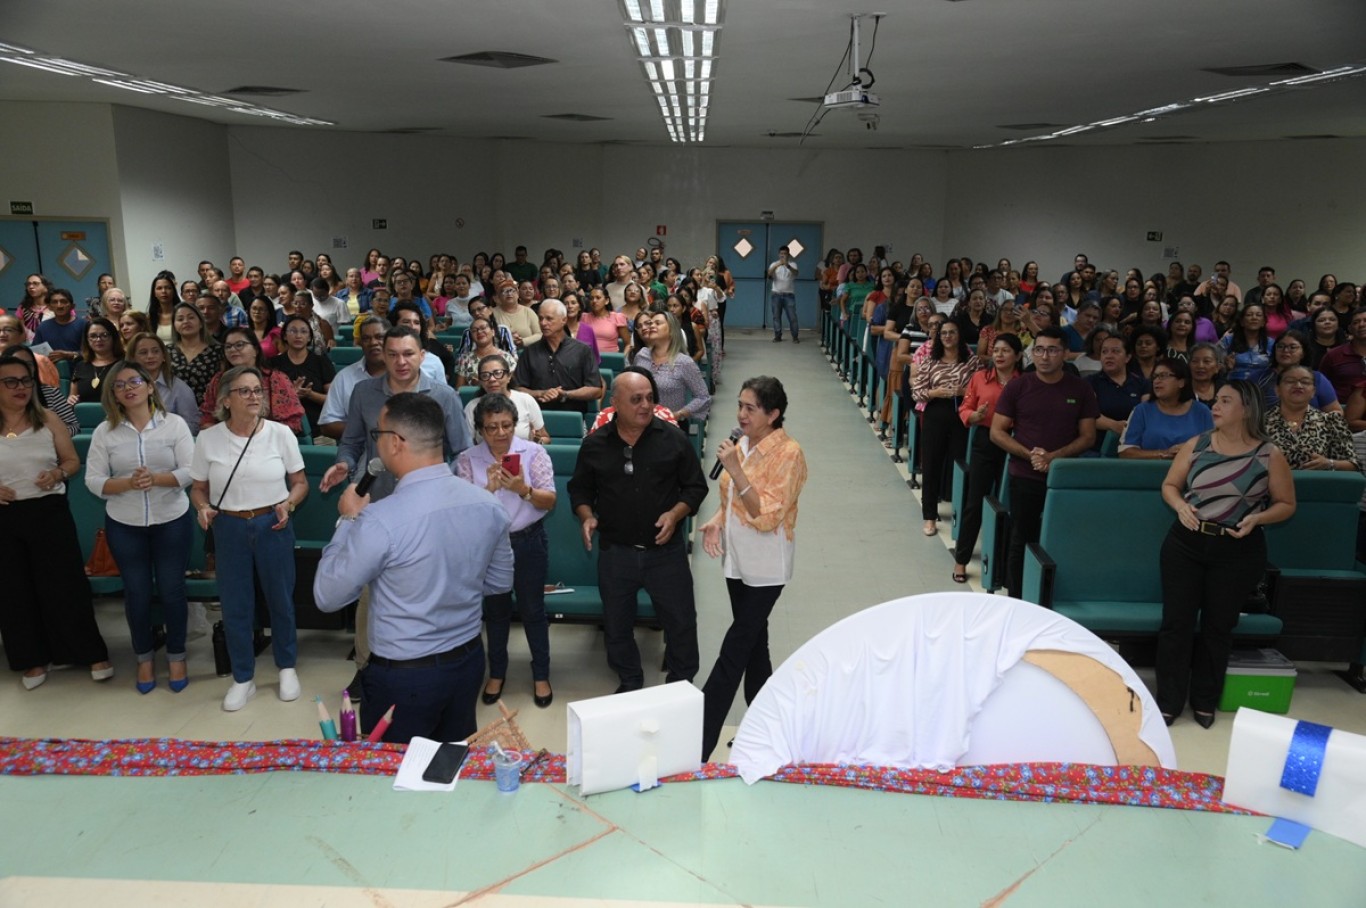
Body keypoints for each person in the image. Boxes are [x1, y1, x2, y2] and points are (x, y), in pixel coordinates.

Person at [314, 392, 513, 743]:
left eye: (378, 435)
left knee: (395, 778)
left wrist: (348, 521)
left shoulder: (379, 520)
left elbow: (327, 596)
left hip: (404, 676)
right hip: (466, 661)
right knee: (449, 766)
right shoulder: (489, 505)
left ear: (394, 443)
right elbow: (498, 584)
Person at [1157, 380, 1295, 728]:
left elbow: (1286, 505)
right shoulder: (1197, 444)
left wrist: (1259, 518)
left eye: (1225, 401)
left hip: (1237, 549)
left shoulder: (1269, 453)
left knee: (1219, 627)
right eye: (1216, 400)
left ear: (1246, 409)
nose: (1215, 406)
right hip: (1185, 545)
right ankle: (1168, 702)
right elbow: (1170, 486)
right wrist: (1179, 507)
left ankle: (1204, 700)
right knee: (1176, 624)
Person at [568, 369, 707, 692]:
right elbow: (580, 491)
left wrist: (675, 514)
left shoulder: (673, 439)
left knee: (681, 624)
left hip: (666, 555)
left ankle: (681, 686)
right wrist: (586, 516)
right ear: (615, 403)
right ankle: (630, 680)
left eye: (649, 398)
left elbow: (695, 488)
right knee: (616, 627)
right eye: (636, 399)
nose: (646, 405)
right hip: (616, 554)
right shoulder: (596, 445)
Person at [698, 376, 807, 760]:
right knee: (755, 648)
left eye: (750, 408)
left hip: (766, 567)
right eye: (740, 406)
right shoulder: (742, 443)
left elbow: (767, 516)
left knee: (734, 650)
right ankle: (768, 731)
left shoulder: (789, 454)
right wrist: (717, 518)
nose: (741, 414)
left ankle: (698, 743)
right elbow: (729, 494)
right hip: (737, 560)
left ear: (773, 414)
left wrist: (737, 469)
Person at [189, 365, 308, 711]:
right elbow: (198, 489)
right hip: (229, 527)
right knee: (236, 606)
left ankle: (286, 667)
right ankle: (244, 677)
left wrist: (288, 503)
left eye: (258, 390)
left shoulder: (280, 434)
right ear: (226, 400)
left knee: (280, 600)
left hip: (273, 524)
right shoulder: (208, 439)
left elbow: (300, 482)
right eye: (245, 391)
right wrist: (202, 508)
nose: (255, 396)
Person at [0, 353, 114, 690]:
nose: (21, 388)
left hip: (48, 511)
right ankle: (31, 659)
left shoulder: (48, 418)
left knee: (64, 585)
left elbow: (71, 462)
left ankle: (89, 652)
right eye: (11, 382)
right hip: (5, 517)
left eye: (26, 380)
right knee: (13, 590)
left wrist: (57, 473)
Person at [85, 360, 195, 694]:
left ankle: (177, 655)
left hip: (171, 520)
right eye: (120, 385)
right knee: (137, 593)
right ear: (114, 395)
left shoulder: (173, 425)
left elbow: (192, 470)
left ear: (150, 387)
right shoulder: (106, 431)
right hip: (125, 523)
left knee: (172, 589)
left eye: (135, 381)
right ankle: (144, 658)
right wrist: (127, 484)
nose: (128, 388)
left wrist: (157, 479)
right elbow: (93, 480)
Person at [455, 393, 556, 708]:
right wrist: (489, 490)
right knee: (495, 613)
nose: (500, 433)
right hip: (489, 545)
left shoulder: (534, 453)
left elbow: (549, 501)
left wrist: (522, 489)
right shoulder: (467, 460)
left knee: (533, 611)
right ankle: (496, 672)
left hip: (528, 540)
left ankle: (541, 675)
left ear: (515, 424)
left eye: (506, 426)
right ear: (480, 430)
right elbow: (463, 512)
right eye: (491, 427)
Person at [990, 327, 1099, 598]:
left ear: (1064, 354)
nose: (1045, 356)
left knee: (1061, 540)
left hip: (1064, 478)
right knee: (1021, 540)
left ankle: (1053, 598)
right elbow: (997, 431)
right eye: (1039, 349)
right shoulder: (1019, 385)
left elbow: (1088, 437)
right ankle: (1017, 599)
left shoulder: (1080, 388)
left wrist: (1054, 458)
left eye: (1052, 350)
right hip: (1024, 475)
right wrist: (1032, 456)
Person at [952, 334, 1021, 583]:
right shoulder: (980, 378)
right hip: (985, 440)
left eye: (1006, 351)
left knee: (1008, 505)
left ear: (1018, 356)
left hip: (1015, 443)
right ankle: (961, 560)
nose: (1000, 355)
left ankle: (1002, 566)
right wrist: (974, 416)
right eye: (996, 350)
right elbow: (965, 409)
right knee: (974, 502)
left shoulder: (1023, 382)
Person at [912, 320, 979, 536]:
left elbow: (979, 389)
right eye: (944, 333)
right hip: (935, 413)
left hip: (961, 414)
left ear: (959, 335)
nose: (948, 336)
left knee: (959, 465)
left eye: (952, 332)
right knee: (931, 464)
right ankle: (929, 517)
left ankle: (959, 514)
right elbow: (917, 392)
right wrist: (935, 393)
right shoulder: (930, 362)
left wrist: (964, 392)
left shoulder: (971, 361)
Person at [199, 327, 304, 435]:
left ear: (256, 350)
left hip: (269, 442)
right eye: (228, 347)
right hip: (226, 442)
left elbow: (292, 423)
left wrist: (257, 437)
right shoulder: (218, 380)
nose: (233, 350)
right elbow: (207, 419)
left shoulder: (276, 379)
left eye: (239, 345)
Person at [1261, 365, 1361, 472]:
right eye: (1290, 381)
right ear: (1277, 390)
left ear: (1313, 391)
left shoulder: (1330, 421)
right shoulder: (1258, 423)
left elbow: (1354, 465)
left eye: (1305, 382)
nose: (1298, 385)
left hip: (1317, 485)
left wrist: (1329, 463)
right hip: (1268, 485)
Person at [514, 300, 603, 414]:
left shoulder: (582, 350)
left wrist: (566, 394)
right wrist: (541, 393)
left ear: (564, 320)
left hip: (574, 417)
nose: (543, 323)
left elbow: (596, 390)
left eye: (549, 319)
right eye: (540, 318)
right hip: (536, 417)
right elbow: (517, 389)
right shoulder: (529, 352)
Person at [1118, 358, 1214, 459]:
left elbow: (1214, 449)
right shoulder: (1141, 411)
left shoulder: (1202, 412)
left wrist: (1188, 451)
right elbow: (1125, 451)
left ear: (1181, 382)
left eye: (1163, 376)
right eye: (1155, 377)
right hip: (1149, 472)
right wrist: (1164, 453)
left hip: (1192, 472)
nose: (1157, 381)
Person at [633, 310, 711, 423]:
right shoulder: (641, 356)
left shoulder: (684, 362)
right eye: (651, 323)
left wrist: (678, 414)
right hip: (640, 422)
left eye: (658, 323)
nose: (652, 326)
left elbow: (703, 397)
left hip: (670, 426)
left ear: (671, 330)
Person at [269, 316, 336, 439]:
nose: (298, 335)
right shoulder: (273, 364)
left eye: (303, 331)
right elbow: (266, 401)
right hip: (281, 430)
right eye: (293, 331)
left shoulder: (321, 362)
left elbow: (334, 400)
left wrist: (310, 395)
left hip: (319, 429)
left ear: (309, 337)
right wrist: (289, 396)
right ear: (284, 336)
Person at [463, 353, 549, 443]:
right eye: (485, 375)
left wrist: (536, 441)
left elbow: (545, 437)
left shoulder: (526, 400)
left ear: (509, 377)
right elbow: (466, 444)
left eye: (497, 373)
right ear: (480, 381)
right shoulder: (472, 406)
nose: (492, 379)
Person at [129, 332, 199, 432]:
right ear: (133, 358)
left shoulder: (179, 388)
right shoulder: (124, 386)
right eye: (143, 352)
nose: (150, 356)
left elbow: (192, 425)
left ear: (163, 356)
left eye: (155, 351)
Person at [169, 303, 222, 405]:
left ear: (201, 323)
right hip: (174, 411)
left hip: (208, 411)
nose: (186, 322)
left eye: (191, 317)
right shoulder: (167, 352)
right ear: (174, 326)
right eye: (180, 319)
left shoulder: (218, 351)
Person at [69, 318, 124, 405]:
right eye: (93, 336)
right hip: (85, 416)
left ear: (113, 337)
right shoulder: (80, 365)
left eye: (104, 335)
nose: (99, 339)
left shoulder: (125, 364)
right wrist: (71, 399)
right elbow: (72, 395)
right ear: (87, 339)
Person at [1319, 307, 1366, 404]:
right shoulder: (1333, 355)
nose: (1361, 325)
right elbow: (1321, 387)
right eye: (1356, 322)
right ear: (1350, 328)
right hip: (1342, 410)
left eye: (1365, 321)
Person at [32, 287, 86, 361]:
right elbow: (35, 354)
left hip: (79, 370)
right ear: (49, 307)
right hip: (50, 370)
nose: (59, 306)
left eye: (63, 302)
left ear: (72, 306)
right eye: (54, 302)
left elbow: (92, 353)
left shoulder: (84, 325)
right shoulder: (43, 327)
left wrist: (69, 355)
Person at [768, 245, 800, 342]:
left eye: (785, 254)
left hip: (789, 295)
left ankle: (795, 336)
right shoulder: (774, 264)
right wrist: (777, 265)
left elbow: (796, 273)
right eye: (781, 254)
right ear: (779, 254)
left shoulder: (793, 264)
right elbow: (769, 274)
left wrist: (787, 265)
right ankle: (778, 336)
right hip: (776, 294)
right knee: (776, 316)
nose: (783, 256)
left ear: (788, 255)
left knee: (792, 317)